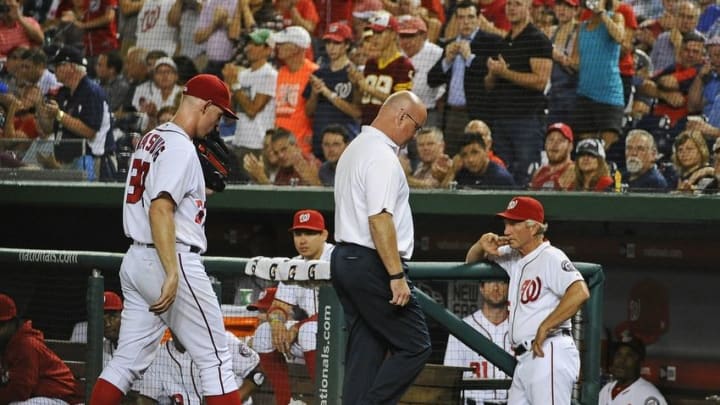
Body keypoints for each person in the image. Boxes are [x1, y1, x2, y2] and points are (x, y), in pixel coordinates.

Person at [88, 73, 243, 405]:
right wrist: (172, 271)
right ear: (206, 105)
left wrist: (203, 190)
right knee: (216, 359)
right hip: (169, 259)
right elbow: (160, 208)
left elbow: (169, 201)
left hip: (136, 260)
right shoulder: (179, 147)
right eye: (219, 114)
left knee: (124, 363)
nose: (218, 124)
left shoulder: (152, 138)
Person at [332, 90, 432, 404]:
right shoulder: (381, 155)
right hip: (372, 263)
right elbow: (379, 218)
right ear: (402, 116)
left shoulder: (355, 148)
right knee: (416, 345)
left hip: (346, 259)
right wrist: (396, 274)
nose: (414, 136)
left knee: (367, 349)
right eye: (416, 128)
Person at [465, 196, 590, 405]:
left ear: (533, 228)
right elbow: (471, 262)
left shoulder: (551, 256)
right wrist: (480, 245)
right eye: (506, 224)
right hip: (525, 359)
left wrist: (546, 326)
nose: (506, 231)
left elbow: (580, 292)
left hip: (549, 351)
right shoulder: (514, 255)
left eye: (514, 224)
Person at [253, 209, 334, 405]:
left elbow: (343, 310)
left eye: (309, 233)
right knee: (263, 333)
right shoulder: (294, 264)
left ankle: (325, 401)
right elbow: (279, 306)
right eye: (298, 234)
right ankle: (285, 401)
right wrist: (276, 323)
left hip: (343, 334)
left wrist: (297, 327)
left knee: (307, 331)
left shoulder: (337, 259)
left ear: (323, 235)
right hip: (313, 334)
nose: (302, 240)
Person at [485, 0, 553, 187]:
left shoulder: (538, 39)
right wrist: (492, 72)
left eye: (517, 4)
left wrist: (505, 72)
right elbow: (489, 85)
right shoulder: (504, 41)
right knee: (502, 176)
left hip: (527, 121)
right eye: (509, 4)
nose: (512, 8)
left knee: (526, 176)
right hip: (501, 119)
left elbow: (540, 81)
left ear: (528, 8)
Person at [37, 46, 113, 180]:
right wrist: (40, 109)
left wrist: (59, 115)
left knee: (85, 200)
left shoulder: (92, 92)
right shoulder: (63, 93)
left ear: (71, 67)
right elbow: (49, 129)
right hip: (64, 160)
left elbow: (89, 131)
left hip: (91, 161)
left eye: (59, 65)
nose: (54, 71)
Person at [137, 330, 263, 405]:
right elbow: (147, 397)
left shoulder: (221, 340)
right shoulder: (161, 355)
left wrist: (232, 402)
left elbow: (256, 374)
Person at [0, 293, 83, 404]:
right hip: (36, 397)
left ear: (12, 323)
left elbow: (20, 391)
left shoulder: (26, 345)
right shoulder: (6, 343)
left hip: (60, 398)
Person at [443, 280, 512, 405]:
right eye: (490, 282)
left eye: (502, 282)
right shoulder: (462, 328)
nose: (496, 287)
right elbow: (450, 381)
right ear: (481, 287)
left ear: (510, 287)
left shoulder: (521, 328)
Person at [305, 21, 361, 160]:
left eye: (336, 43)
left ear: (347, 45)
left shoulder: (354, 74)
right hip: (321, 143)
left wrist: (327, 93)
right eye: (328, 43)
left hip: (345, 143)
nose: (331, 48)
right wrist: (314, 93)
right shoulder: (319, 73)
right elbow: (309, 111)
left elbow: (356, 112)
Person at [351, 11, 415, 125]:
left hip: (390, 130)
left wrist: (368, 89)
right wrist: (357, 85)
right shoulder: (370, 63)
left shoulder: (404, 65)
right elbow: (361, 103)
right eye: (374, 32)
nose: (374, 37)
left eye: (379, 33)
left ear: (393, 34)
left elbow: (401, 105)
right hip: (366, 126)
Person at [273, 26, 319, 156]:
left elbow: (315, 111)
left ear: (296, 48)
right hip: (279, 148)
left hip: (301, 148)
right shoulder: (281, 72)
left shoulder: (314, 72)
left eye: (282, 44)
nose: (278, 47)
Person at [598, 333, 668, 405]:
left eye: (629, 355)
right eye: (618, 354)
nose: (621, 360)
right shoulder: (605, 390)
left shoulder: (649, 396)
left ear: (640, 362)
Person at [441, 132, 516, 189]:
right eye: (464, 155)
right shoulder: (462, 173)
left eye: (475, 152)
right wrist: (452, 171)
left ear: (486, 151)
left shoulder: (501, 179)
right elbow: (442, 199)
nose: (470, 159)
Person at [69, 291, 123, 367]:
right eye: (102, 319)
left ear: (123, 315)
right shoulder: (97, 347)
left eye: (112, 316)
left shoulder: (137, 341)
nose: (107, 324)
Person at [529, 122, 575, 191]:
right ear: (545, 144)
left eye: (560, 140)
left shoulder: (576, 172)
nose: (554, 144)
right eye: (551, 140)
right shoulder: (539, 173)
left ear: (570, 146)